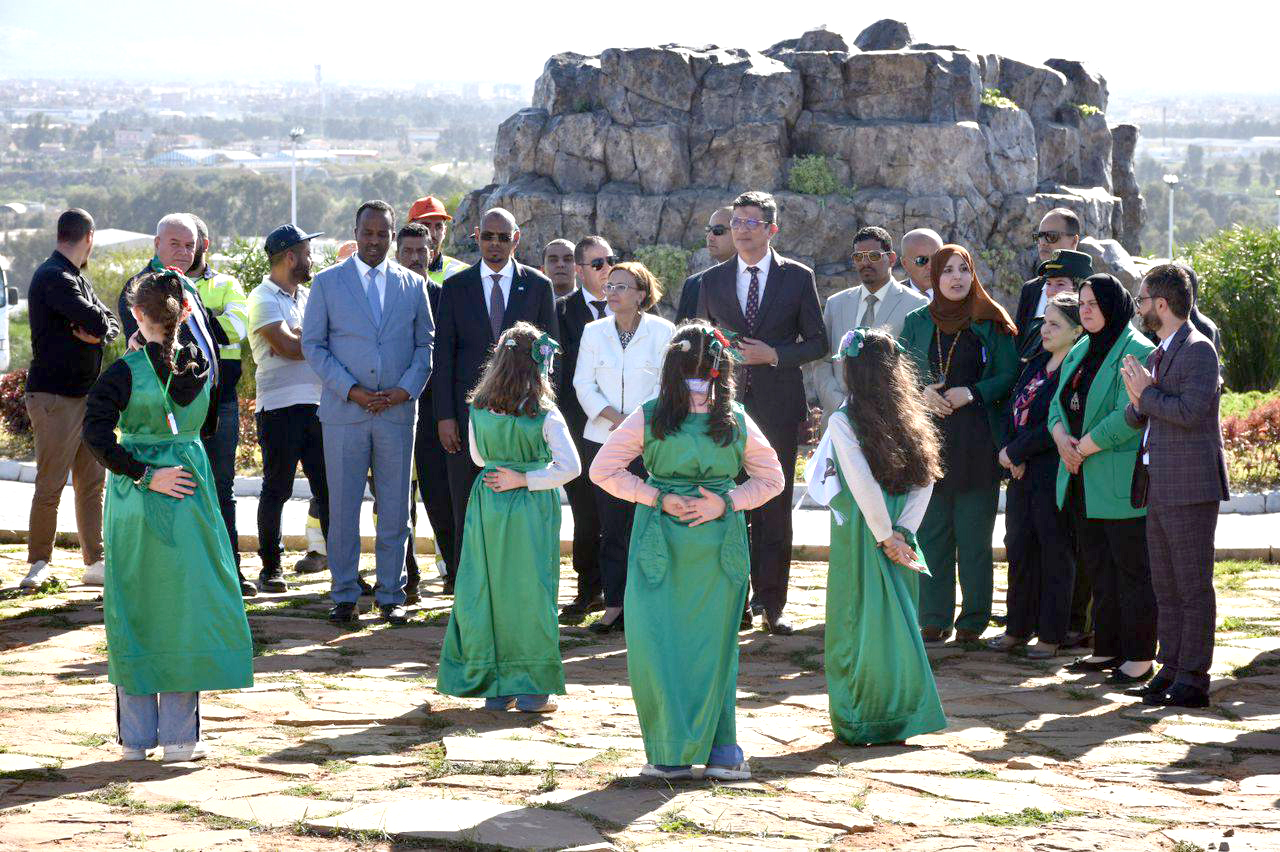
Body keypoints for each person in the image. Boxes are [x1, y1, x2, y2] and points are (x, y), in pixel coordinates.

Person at [590, 322, 784, 781]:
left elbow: (604, 469)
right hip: (713, 541)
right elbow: (772, 479)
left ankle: (670, 754)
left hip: (665, 537)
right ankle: (722, 751)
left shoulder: (652, 413)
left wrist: (654, 496)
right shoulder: (734, 415)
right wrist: (726, 501)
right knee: (715, 646)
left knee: (659, 644)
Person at [83, 269, 252, 762]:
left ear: (137, 314)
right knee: (186, 607)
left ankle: (136, 739)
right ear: (185, 313)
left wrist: (141, 470)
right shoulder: (202, 365)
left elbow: (95, 435)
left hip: (136, 502)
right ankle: (181, 737)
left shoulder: (122, 373)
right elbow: (210, 420)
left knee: (135, 607)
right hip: (190, 491)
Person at [696, 190, 827, 635]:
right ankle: (732, 601)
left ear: (771, 229)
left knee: (773, 506)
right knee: (727, 503)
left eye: (751, 222)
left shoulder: (797, 277)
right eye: (736, 221)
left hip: (777, 406)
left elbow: (817, 342)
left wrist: (774, 354)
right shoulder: (709, 281)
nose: (741, 228)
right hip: (722, 409)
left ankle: (772, 604)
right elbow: (696, 343)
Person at [808, 327, 946, 745]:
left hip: (863, 534)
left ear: (852, 370)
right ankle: (901, 714)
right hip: (902, 533)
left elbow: (861, 483)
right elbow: (926, 479)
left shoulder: (843, 420)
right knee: (897, 623)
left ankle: (859, 717)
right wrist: (906, 531)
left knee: (856, 622)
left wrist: (886, 536)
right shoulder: (913, 416)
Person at [437, 322, 581, 713]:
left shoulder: (479, 408)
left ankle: (495, 687)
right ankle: (534, 690)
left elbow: (479, 458)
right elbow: (570, 467)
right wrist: (528, 476)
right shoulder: (545, 414)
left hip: (489, 503)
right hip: (531, 508)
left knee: (489, 589)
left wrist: (507, 470)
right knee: (531, 592)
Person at [302, 200, 434, 625]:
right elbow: (314, 346)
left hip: (397, 413)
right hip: (345, 413)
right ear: (355, 232)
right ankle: (343, 593)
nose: (375, 240)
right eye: (368, 232)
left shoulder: (413, 285)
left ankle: (391, 594)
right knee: (342, 508)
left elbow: (424, 345)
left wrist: (404, 390)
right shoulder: (327, 283)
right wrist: (351, 390)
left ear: (392, 236)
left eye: (383, 233)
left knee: (395, 508)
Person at [433, 207, 557, 594]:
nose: (495, 244)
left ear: (516, 239)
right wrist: (445, 417)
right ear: (477, 237)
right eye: (488, 236)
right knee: (466, 502)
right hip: (470, 417)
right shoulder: (456, 287)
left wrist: (540, 414)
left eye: (504, 238)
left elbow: (549, 355)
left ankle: (513, 584)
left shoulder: (537, 286)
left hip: (522, 419)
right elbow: (445, 356)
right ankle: (465, 583)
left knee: (516, 502)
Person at [1122, 264, 1229, 709]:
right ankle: (1172, 667)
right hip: (1159, 484)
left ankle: (1194, 679)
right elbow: (1141, 414)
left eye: (1143, 301)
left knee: (1192, 586)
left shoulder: (1199, 350)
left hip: (1190, 486)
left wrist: (1145, 396)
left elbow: (1189, 411)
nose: (1139, 308)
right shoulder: (1159, 351)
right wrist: (1134, 399)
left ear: (1162, 305)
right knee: (1165, 586)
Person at [900, 245, 1018, 645]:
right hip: (929, 441)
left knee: (973, 537)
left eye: (963, 269)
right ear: (934, 277)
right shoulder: (916, 322)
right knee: (931, 531)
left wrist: (974, 392)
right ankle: (933, 617)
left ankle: (973, 619)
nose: (956, 278)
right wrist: (922, 394)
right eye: (947, 270)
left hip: (976, 441)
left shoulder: (990, 321)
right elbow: (898, 375)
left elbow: (1009, 374)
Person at [1048, 273, 1157, 686]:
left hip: (1115, 478)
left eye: (1094, 302)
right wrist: (1061, 439)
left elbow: (1130, 414)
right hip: (1080, 478)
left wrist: (1083, 447)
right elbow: (1056, 404)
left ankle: (1140, 655)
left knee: (1131, 569)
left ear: (1114, 304)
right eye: (1083, 302)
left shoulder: (1137, 350)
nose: (1087, 309)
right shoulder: (1080, 348)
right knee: (1099, 569)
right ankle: (1107, 648)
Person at [574, 262, 675, 634]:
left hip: (648, 439)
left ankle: (647, 602)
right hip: (602, 438)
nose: (612, 291)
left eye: (622, 286)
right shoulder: (593, 331)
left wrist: (633, 422)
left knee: (646, 523)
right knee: (611, 525)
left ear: (642, 294)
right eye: (609, 285)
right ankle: (614, 603)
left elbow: (666, 384)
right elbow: (583, 382)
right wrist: (614, 419)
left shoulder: (664, 331)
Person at [21, 208, 119, 589]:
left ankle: (95, 561)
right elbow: (98, 321)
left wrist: (97, 328)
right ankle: (38, 563)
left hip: (83, 397)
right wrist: (96, 325)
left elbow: (107, 323)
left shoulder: (77, 278)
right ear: (89, 236)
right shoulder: (55, 276)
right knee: (50, 484)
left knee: (92, 483)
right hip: (55, 398)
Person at [986, 292, 1083, 659]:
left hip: (1052, 472)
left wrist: (1016, 451)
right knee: (1020, 547)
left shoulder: (1075, 370)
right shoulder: (1036, 363)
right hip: (1021, 473)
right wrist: (1010, 452)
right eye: (1044, 321)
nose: (1045, 329)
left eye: (1055, 323)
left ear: (1076, 332)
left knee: (1054, 551)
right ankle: (1018, 627)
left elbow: (1055, 424)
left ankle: (1051, 633)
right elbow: (1014, 408)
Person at [247, 225, 330, 595]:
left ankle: (342, 568)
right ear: (291, 257)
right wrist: (308, 338)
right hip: (279, 409)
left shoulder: (308, 296)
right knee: (276, 489)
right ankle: (271, 567)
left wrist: (303, 336)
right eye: (308, 252)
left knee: (328, 490)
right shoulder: (262, 297)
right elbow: (288, 347)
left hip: (317, 406)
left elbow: (324, 339)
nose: (312, 259)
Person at [188, 215, 251, 594]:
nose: (185, 250)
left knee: (222, 487)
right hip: (177, 407)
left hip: (221, 402)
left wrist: (191, 321)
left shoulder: (227, 284)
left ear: (204, 244)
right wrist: (212, 322)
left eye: (191, 242)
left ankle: (232, 572)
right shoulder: (164, 284)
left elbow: (238, 328)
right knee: (184, 488)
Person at [554, 235, 615, 620]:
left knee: (622, 510)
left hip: (626, 426)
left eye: (611, 260)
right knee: (586, 512)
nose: (607, 268)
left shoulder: (633, 304)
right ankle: (588, 589)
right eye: (597, 263)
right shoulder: (560, 311)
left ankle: (621, 592)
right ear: (579, 270)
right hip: (579, 425)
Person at [396, 222, 455, 600]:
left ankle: (454, 570)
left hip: (436, 415)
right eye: (409, 252)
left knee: (440, 496)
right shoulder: (383, 298)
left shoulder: (448, 298)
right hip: (390, 410)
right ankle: (406, 576)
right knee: (395, 500)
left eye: (423, 251)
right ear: (396, 254)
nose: (416, 258)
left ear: (432, 254)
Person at [816, 226, 928, 421]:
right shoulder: (836, 304)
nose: (865, 262)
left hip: (891, 421)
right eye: (859, 257)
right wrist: (840, 406)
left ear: (891, 258)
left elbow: (918, 366)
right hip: (839, 420)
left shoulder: (917, 304)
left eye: (874, 256)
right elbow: (823, 361)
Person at [1014, 208, 1082, 361]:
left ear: (1074, 241)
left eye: (1052, 236)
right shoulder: (1031, 289)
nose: (1043, 242)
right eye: (1039, 236)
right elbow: (1018, 345)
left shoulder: (1088, 291)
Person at [676, 206, 735, 323]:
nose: (710, 237)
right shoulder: (693, 283)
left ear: (740, 233)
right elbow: (680, 334)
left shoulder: (755, 280)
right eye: (708, 230)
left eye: (718, 231)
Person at [408, 195, 469, 284]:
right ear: (409, 229)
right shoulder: (391, 269)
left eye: (438, 226)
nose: (433, 233)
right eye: (426, 225)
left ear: (444, 231)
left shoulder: (461, 272)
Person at [900, 228, 943, 301]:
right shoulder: (889, 297)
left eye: (936, 258)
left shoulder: (960, 294)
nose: (930, 266)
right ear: (905, 264)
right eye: (921, 260)